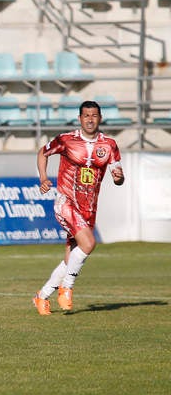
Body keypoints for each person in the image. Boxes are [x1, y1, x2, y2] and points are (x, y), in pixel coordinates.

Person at [32, 100, 125, 315]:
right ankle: (67, 288)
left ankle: (41, 296)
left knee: (71, 257)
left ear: (100, 118)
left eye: (94, 115)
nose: (90, 119)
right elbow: (42, 153)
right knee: (89, 243)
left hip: (88, 209)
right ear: (80, 119)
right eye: (86, 116)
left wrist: (119, 178)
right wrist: (44, 178)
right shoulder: (66, 140)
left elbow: (118, 175)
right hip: (66, 202)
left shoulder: (109, 145)